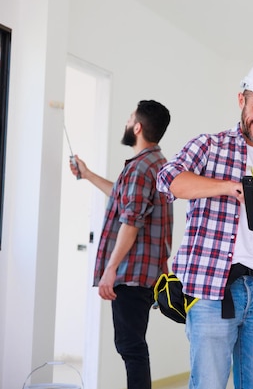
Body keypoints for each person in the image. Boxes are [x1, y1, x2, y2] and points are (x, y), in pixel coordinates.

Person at [156, 58, 253, 389]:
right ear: (241, 100)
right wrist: (228, 187)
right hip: (212, 290)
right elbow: (168, 181)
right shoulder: (209, 146)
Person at [69, 99, 173, 389]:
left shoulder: (141, 168)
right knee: (132, 345)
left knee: (131, 347)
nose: (127, 123)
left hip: (132, 275)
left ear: (137, 127)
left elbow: (131, 221)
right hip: (145, 274)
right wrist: (87, 174)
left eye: (129, 119)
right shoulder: (154, 164)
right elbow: (120, 196)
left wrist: (110, 268)